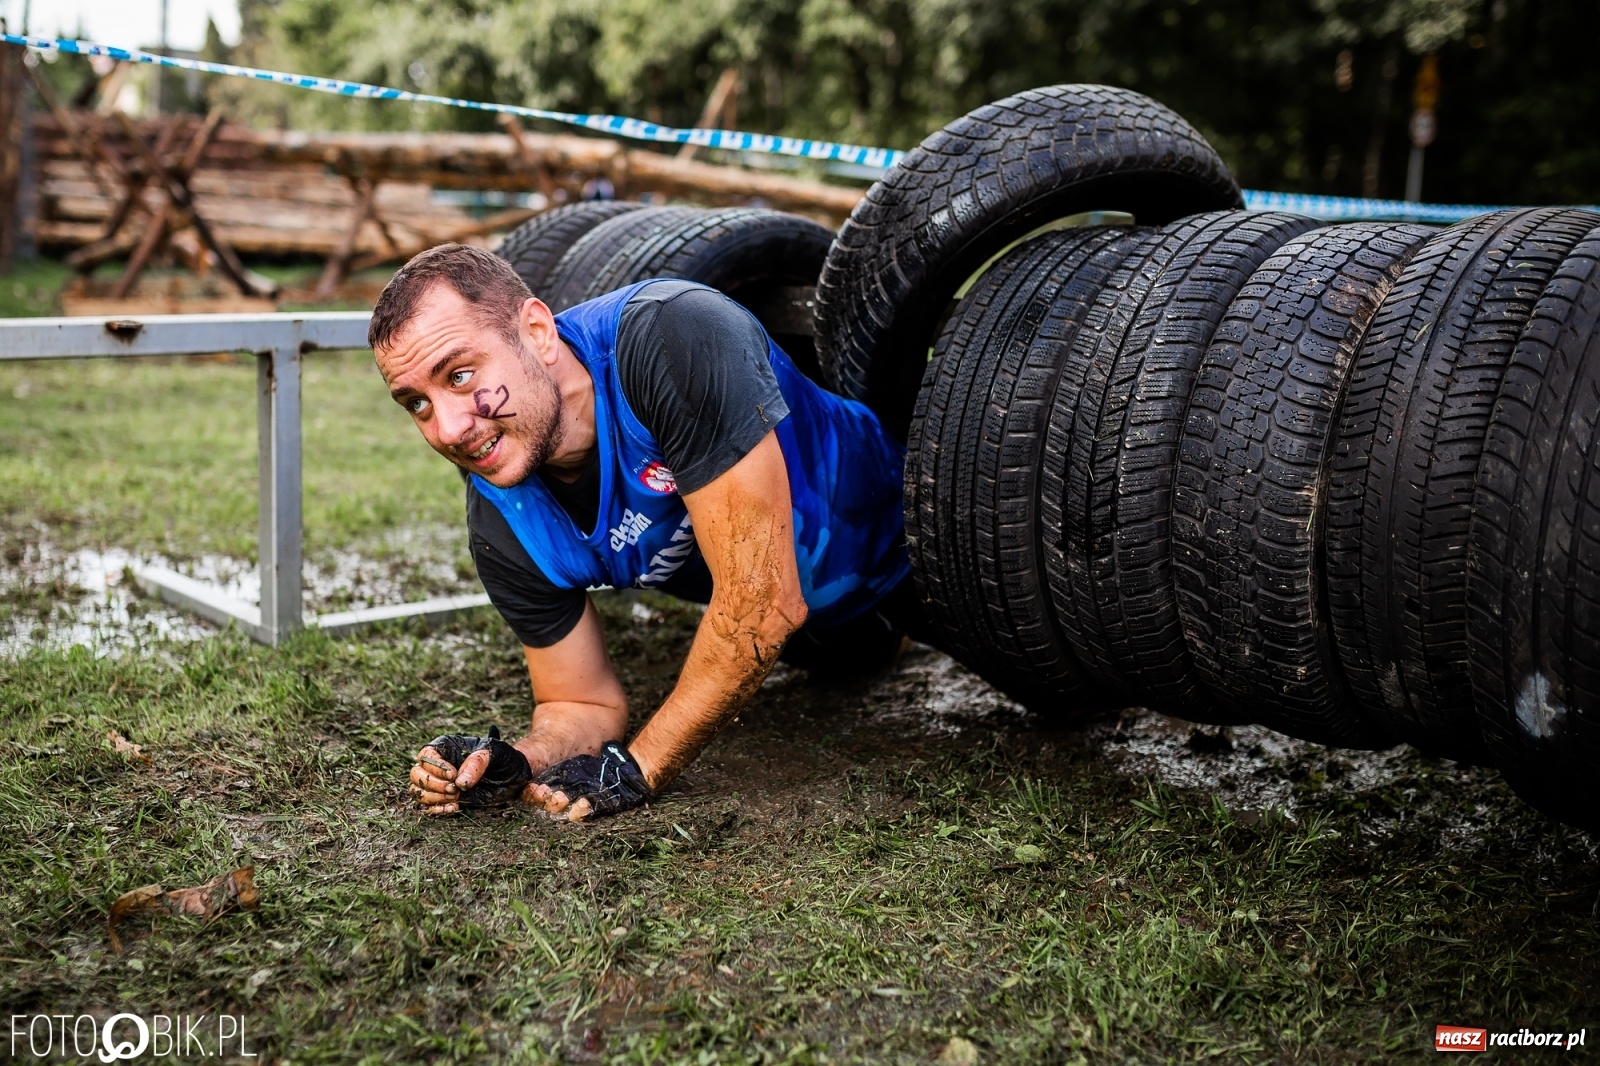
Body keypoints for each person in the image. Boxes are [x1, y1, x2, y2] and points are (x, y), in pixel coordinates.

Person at [370, 243, 931, 821]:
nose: (449, 429)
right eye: (417, 403)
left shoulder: (671, 337)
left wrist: (638, 766)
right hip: (821, 634)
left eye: (460, 376)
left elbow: (762, 603)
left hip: (930, 547)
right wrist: (520, 758)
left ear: (537, 332)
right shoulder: (503, 523)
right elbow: (580, 700)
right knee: (853, 663)